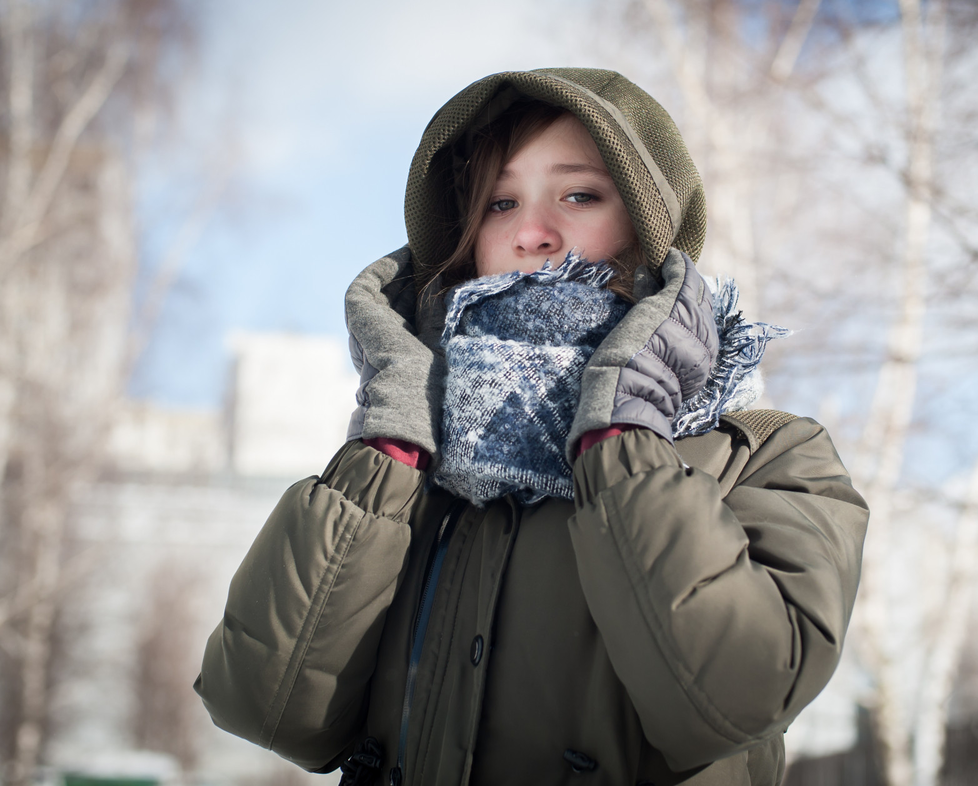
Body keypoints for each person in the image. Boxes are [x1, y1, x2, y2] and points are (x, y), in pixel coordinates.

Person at [194, 68, 868, 786]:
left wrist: (622, 435)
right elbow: (265, 708)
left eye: (579, 195)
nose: (530, 233)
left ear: (649, 230)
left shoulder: (768, 457)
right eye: (499, 202)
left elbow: (733, 703)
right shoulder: (412, 469)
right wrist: (387, 444)